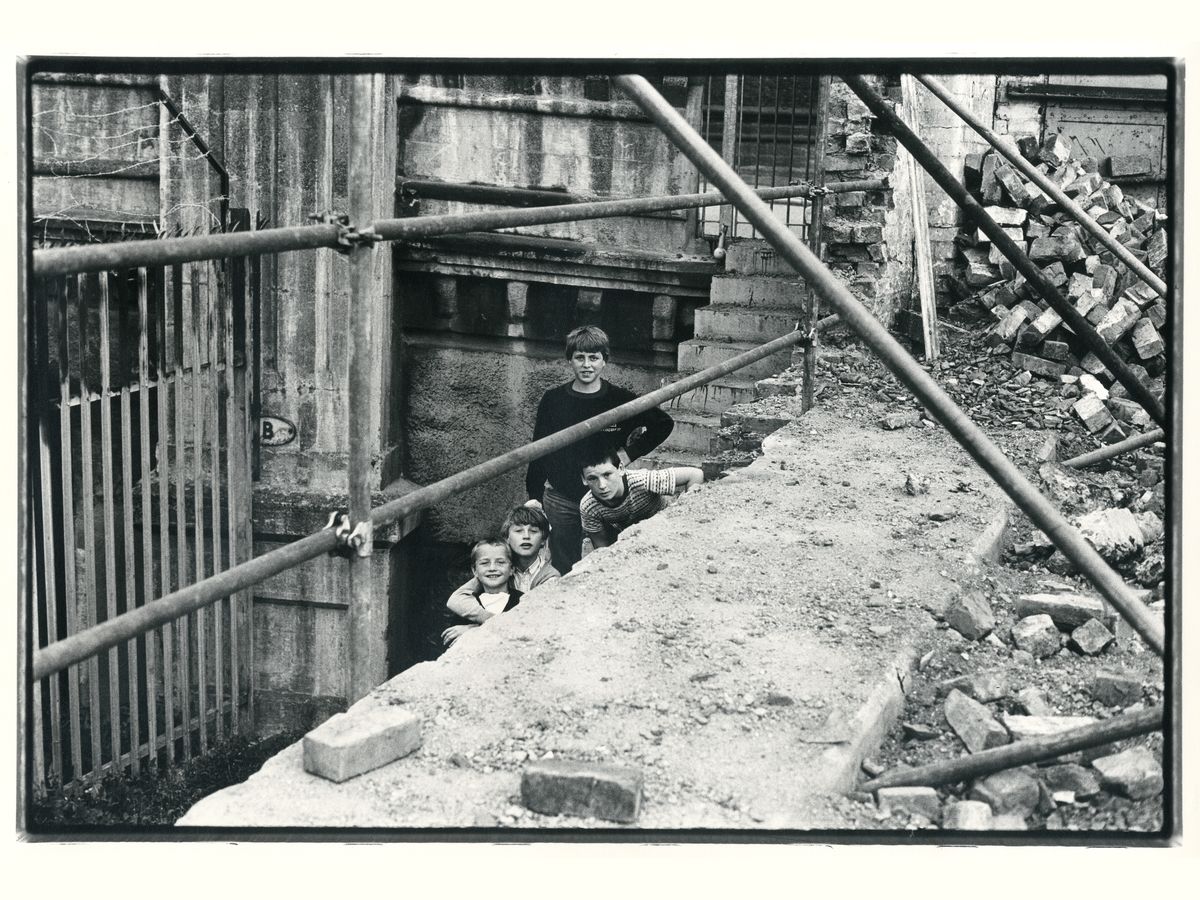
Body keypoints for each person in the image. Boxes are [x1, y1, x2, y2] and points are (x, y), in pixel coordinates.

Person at [525, 325, 674, 574]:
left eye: (594, 358)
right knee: (564, 563)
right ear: (570, 360)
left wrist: (627, 454)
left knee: (611, 560)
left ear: (604, 361)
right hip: (562, 497)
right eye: (580, 357)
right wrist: (534, 495)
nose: (586, 365)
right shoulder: (553, 400)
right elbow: (539, 448)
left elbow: (663, 423)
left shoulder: (619, 399)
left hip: (607, 498)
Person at [578, 437, 705, 552]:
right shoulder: (589, 506)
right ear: (584, 479)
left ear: (621, 469)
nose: (602, 485)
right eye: (592, 478)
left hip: (665, 527)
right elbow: (602, 549)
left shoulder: (643, 480)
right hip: (632, 540)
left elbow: (695, 474)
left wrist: (686, 518)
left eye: (607, 475)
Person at [441, 539, 525, 649]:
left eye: (500, 562)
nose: (492, 568)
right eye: (485, 563)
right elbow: (450, 647)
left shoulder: (522, 600)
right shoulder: (467, 605)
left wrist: (475, 631)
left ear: (512, 569)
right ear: (474, 570)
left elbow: (524, 635)